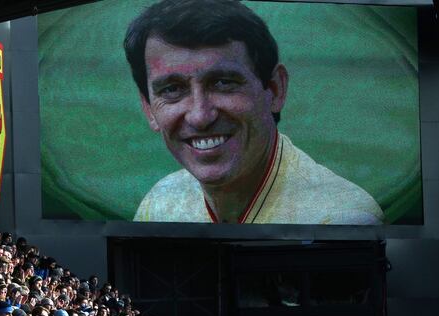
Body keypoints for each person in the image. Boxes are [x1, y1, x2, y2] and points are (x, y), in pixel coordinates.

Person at [125, 0, 383, 225]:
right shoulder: (158, 204)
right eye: (172, 89)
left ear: (274, 89)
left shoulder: (344, 218)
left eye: (223, 83)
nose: (200, 116)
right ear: (148, 108)